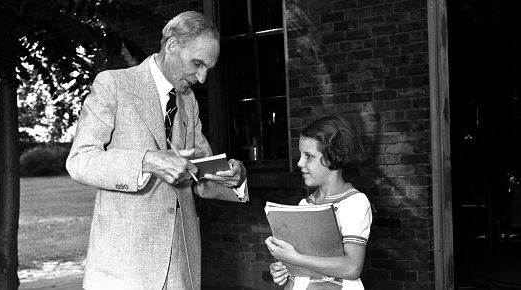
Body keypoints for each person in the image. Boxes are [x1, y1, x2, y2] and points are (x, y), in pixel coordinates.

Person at [66, 11, 248, 290]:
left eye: (207, 69)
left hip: (180, 265)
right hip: (124, 267)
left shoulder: (188, 101)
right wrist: (146, 161)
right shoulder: (113, 84)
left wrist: (234, 179)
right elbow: (80, 160)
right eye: (197, 64)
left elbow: (199, 170)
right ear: (172, 45)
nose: (201, 78)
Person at [265, 115, 372, 290]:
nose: (300, 162)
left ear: (332, 157)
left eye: (309, 156)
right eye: (301, 155)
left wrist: (294, 258)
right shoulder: (305, 204)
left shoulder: (354, 203)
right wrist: (284, 269)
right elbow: (303, 264)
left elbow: (352, 267)